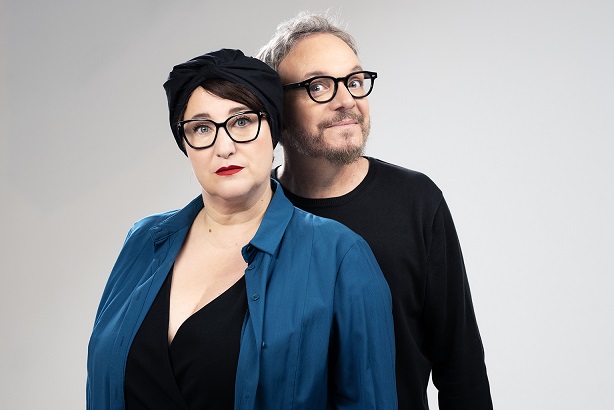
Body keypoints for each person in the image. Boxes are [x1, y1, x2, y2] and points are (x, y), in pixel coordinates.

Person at [86, 49, 397, 409]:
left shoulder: (341, 256)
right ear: (185, 143)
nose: (224, 147)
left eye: (242, 121)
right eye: (202, 128)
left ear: (273, 129)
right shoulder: (143, 240)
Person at [257, 12, 493, 410]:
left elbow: (461, 365)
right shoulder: (252, 212)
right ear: (276, 109)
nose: (346, 100)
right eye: (319, 86)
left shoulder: (417, 202)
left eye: (354, 81)